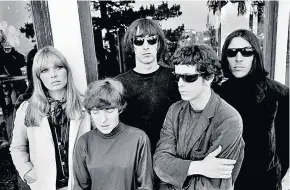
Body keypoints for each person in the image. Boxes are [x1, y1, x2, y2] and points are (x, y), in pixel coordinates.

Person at [153, 44, 245, 190]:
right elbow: (159, 163)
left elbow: (213, 185)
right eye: (178, 77)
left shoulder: (228, 119)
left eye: (189, 78)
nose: (181, 84)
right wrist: (198, 166)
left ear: (209, 77)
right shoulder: (175, 111)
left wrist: (177, 173)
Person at [216, 29, 289, 190]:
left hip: (264, 183)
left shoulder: (279, 94)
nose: (238, 58)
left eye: (246, 52)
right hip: (225, 182)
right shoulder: (218, 94)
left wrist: (274, 174)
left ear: (255, 55)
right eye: (232, 52)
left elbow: (285, 146)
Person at [10, 46, 91, 190]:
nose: (53, 74)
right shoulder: (27, 108)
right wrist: (27, 172)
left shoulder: (86, 105)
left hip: (82, 185)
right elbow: (17, 147)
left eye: (58, 67)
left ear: (67, 70)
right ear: (38, 76)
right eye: (44, 70)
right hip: (45, 185)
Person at [73, 78, 153, 190]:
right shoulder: (84, 142)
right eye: (95, 112)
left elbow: (146, 186)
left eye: (109, 111)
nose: (103, 119)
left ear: (119, 109)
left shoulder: (138, 138)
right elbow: (79, 187)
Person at [115, 18, 180, 152]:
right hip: (133, 155)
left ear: (158, 43)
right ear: (131, 45)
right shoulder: (119, 84)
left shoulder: (175, 78)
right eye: (139, 41)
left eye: (151, 40)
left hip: (170, 155)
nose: (146, 46)